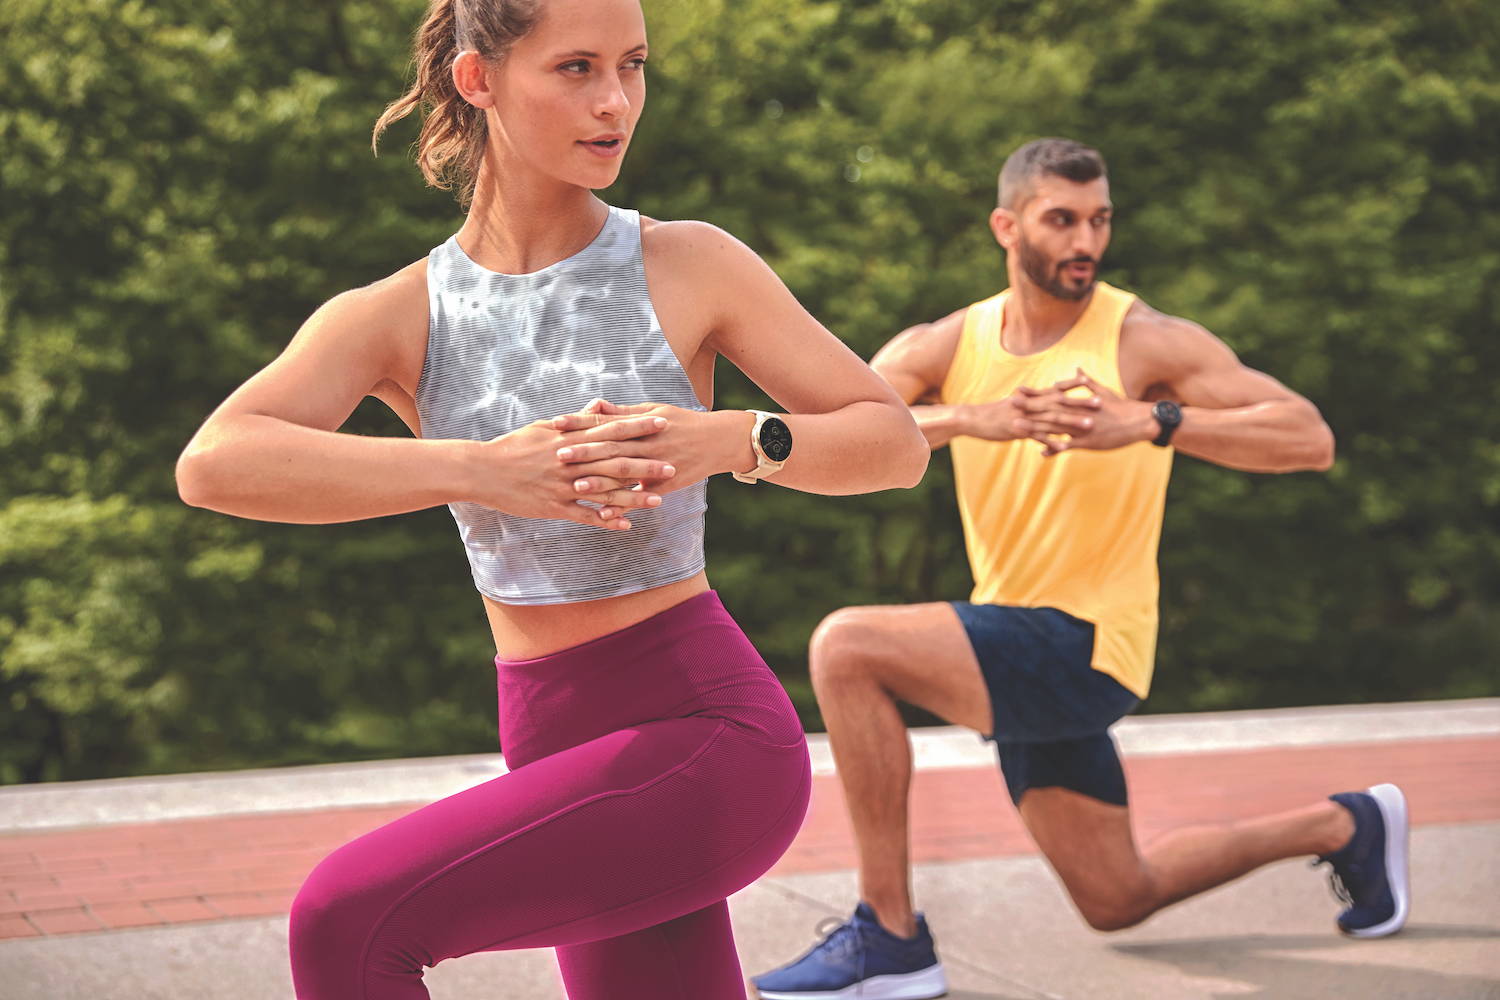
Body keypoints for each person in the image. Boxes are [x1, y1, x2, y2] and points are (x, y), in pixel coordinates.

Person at [174, 0, 929, 996]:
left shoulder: (687, 263)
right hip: (547, 730)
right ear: (477, 79)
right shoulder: (400, 312)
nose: (616, 101)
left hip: (705, 731)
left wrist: (737, 439)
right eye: (576, 68)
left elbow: (895, 443)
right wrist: (480, 467)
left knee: (346, 918)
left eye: (634, 65)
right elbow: (217, 461)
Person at [751, 137, 1409, 1000]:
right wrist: (973, 418)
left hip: (1091, 643)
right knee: (1116, 895)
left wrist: (1155, 421)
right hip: (1016, 643)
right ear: (1006, 225)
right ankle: (1349, 823)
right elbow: (845, 436)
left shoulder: (1143, 340)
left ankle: (891, 936)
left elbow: (1308, 438)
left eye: (1098, 220)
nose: (1085, 242)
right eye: (1062, 220)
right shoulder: (949, 343)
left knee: (847, 648)